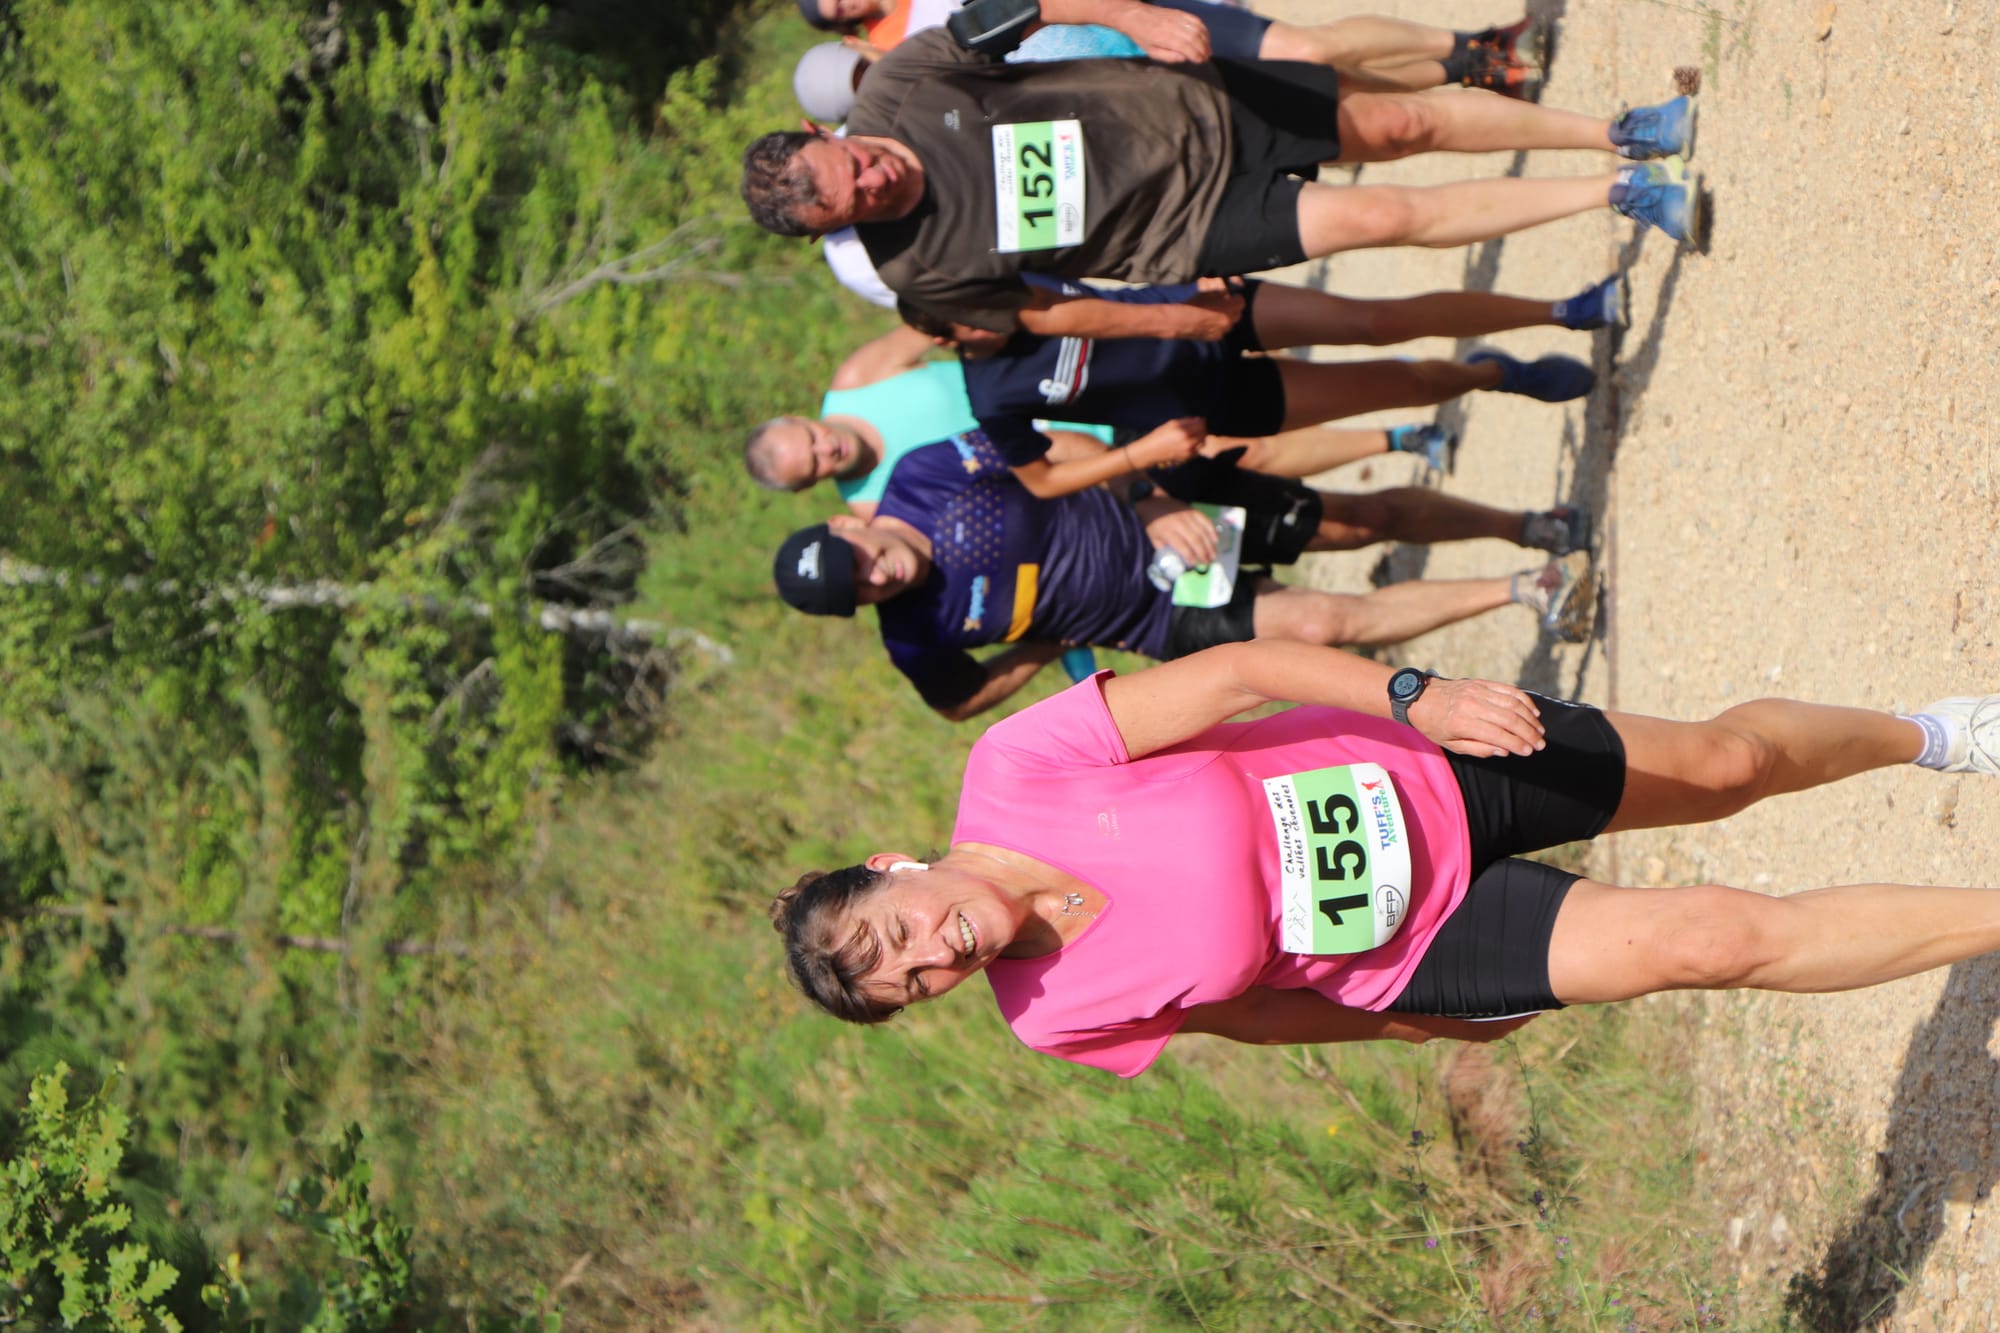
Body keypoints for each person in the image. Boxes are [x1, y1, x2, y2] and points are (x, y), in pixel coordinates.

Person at [769, 638, 2000, 1078]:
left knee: (1727, 766)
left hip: (1427, 764)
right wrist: (1414, 1031)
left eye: (896, 934)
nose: (932, 954)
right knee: (1710, 940)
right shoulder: (1048, 1015)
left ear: (889, 866)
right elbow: (1245, 1015)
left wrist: (1417, 696)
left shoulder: (1016, 769)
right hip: (1405, 950)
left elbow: (1241, 672)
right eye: (910, 984)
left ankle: (1934, 735)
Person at [740, 26, 1701, 338]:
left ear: (830, 133)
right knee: (1385, 214)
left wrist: (1131, 15)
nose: (872, 180)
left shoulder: (904, 83)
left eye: (850, 165)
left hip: (1192, 100)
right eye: (856, 202)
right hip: (1186, 229)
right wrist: (1165, 316)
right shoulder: (918, 273)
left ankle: (1614, 131)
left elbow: (1029, 4)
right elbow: (1037, 312)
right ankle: (1617, 195)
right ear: (839, 229)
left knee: (1401, 123)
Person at [769, 429, 1593, 719]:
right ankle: (1531, 590)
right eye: (860, 589)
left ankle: (1523, 527)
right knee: (1321, 625)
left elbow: (1052, 446)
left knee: (1354, 520)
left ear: (850, 522)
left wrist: (1147, 499)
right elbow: (955, 701)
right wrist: (1044, 643)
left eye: (860, 556)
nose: (875, 574)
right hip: (1153, 617)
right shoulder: (913, 635)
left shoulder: (923, 473)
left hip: (1160, 508)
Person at [797, 0, 1554, 99]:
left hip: (1131, 17)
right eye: (835, 9)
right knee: (1330, 91)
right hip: (1118, 81)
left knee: (1304, 46)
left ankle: (1470, 43)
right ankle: (1468, 70)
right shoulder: (905, 67)